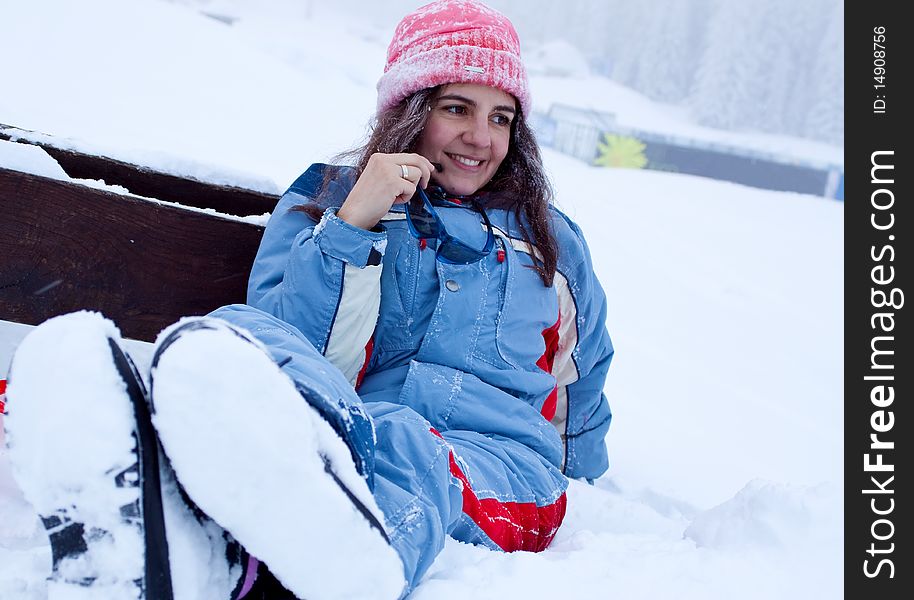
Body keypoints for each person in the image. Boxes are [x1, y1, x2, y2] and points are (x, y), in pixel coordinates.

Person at [3, 1, 614, 598]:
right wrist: (353, 225)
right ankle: (136, 484)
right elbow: (295, 347)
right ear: (411, 109)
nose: (481, 138)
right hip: (341, 429)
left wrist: (582, 476)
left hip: (494, 467)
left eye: (502, 118)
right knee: (237, 332)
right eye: (457, 108)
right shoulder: (333, 196)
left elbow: (582, 374)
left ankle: (322, 570)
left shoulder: (550, 240)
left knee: (404, 443)